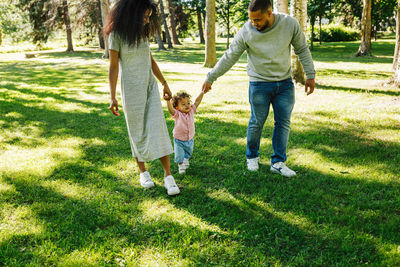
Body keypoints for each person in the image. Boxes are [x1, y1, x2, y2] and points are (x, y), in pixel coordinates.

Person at [202, 0, 316, 178]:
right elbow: (229, 56)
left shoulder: (289, 24)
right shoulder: (247, 31)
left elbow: (302, 48)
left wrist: (310, 75)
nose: (254, 23)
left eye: (258, 20)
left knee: (283, 123)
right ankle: (252, 156)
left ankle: (278, 162)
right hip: (259, 84)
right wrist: (211, 77)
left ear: (270, 13)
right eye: (252, 20)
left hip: (284, 84)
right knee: (257, 122)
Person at [105, 0, 179, 195]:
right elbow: (113, 66)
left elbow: (149, 58)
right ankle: (143, 172)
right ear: (132, 13)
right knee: (136, 130)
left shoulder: (142, 33)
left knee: (158, 127)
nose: (147, 21)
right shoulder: (116, 34)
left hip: (149, 86)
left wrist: (163, 82)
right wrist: (112, 97)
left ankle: (168, 176)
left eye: (149, 17)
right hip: (130, 90)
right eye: (144, 17)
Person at [166, 90, 205, 174]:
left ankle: (186, 159)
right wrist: (167, 101)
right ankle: (181, 165)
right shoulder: (177, 114)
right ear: (177, 107)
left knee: (188, 152)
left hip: (189, 138)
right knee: (179, 154)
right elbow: (170, 110)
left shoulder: (191, 111)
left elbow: (197, 101)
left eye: (188, 103)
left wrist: (202, 92)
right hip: (179, 139)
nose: (187, 105)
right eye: (183, 104)